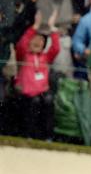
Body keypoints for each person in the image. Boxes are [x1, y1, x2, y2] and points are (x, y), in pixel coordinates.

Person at [13, 11, 60, 140]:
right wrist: (35, 26)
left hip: (42, 91)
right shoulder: (23, 55)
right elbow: (22, 44)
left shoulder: (46, 57)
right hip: (27, 92)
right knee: (34, 103)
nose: (38, 42)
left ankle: (48, 137)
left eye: (41, 40)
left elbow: (55, 48)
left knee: (49, 101)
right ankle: (29, 135)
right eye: (35, 39)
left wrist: (52, 29)